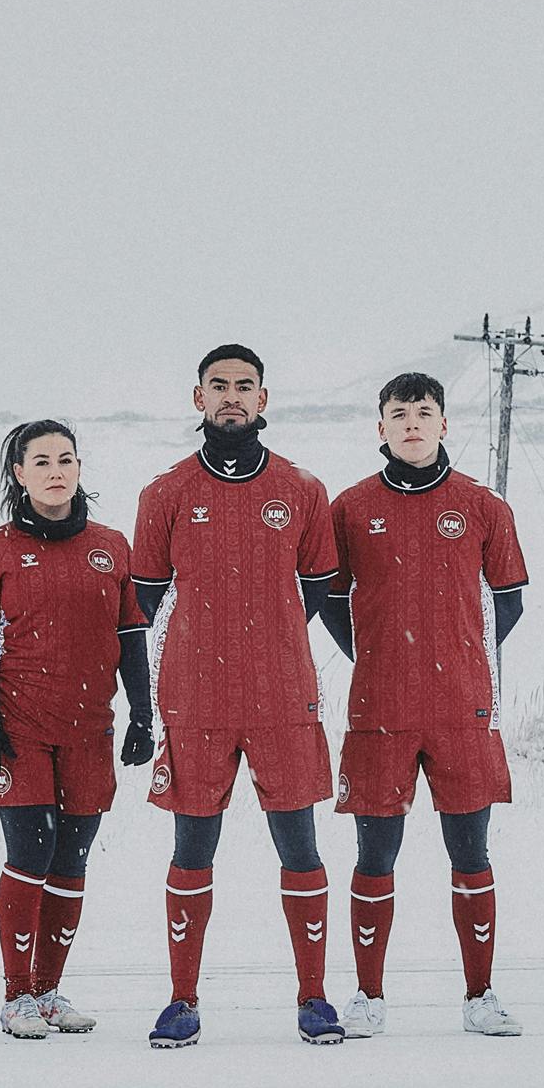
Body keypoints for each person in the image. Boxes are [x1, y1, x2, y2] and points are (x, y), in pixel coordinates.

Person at [131, 345, 345, 1047]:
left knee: (300, 844)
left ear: (263, 399)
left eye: (243, 387)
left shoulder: (302, 490)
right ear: (198, 399)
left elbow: (314, 588)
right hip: (195, 697)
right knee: (193, 847)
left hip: (283, 695)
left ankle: (313, 997)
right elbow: (145, 600)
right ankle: (181, 1000)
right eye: (218, 386)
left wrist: (266, 639)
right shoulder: (164, 495)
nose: (231, 397)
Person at [319, 371, 528, 1037]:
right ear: (380, 427)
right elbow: (327, 596)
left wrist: (458, 652)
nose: (413, 423)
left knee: (470, 853)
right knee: (375, 854)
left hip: (461, 707)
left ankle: (480, 996)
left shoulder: (481, 505)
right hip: (378, 708)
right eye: (399, 413)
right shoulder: (350, 509)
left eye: (425, 412)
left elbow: (509, 600)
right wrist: (376, 653)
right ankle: (369, 997)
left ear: (445, 425)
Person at [0, 419, 154, 1039]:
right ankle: (17, 995)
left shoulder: (110, 547)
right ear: (18, 474)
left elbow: (130, 637)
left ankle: (48, 991)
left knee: (71, 860)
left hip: (90, 728)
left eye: (65, 459)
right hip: (20, 728)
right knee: (31, 852)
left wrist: (142, 715)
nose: (55, 470)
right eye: (40, 461)